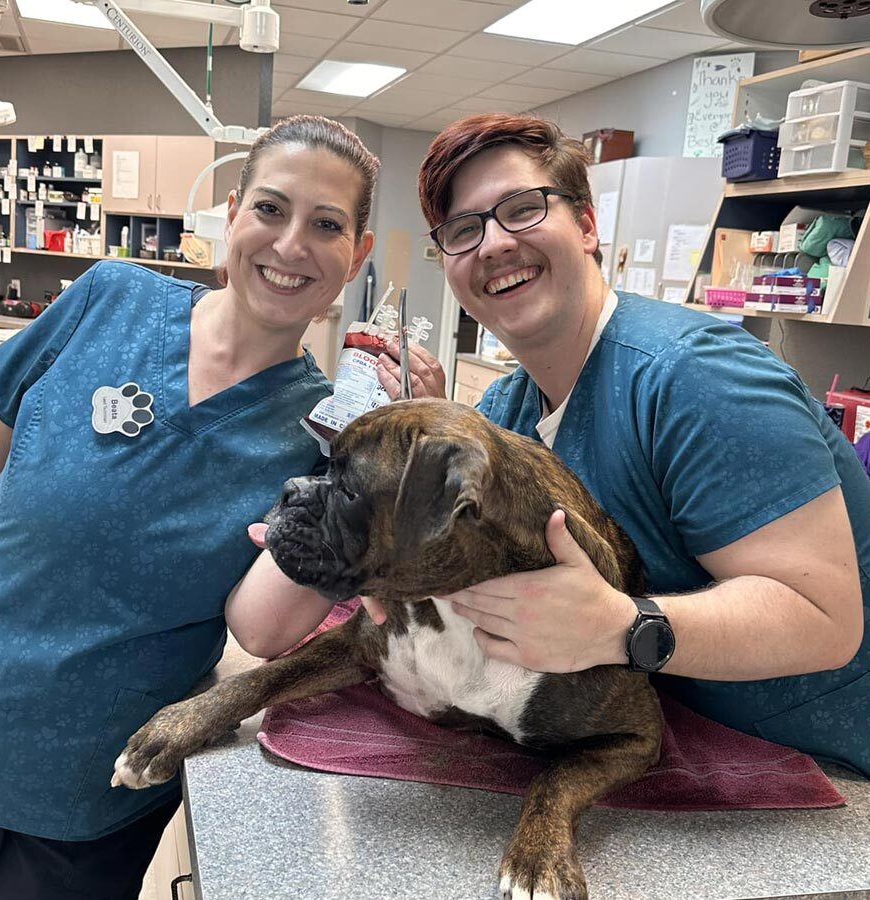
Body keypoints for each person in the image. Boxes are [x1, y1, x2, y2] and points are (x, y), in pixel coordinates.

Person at [371, 112, 870, 778]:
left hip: (828, 778)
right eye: (465, 230)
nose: (492, 245)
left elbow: (824, 620)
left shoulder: (696, 378)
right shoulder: (506, 412)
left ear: (585, 227)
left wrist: (619, 625)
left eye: (521, 209)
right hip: (675, 751)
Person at [0, 114, 381, 900]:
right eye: (270, 209)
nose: (291, 244)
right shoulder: (108, 298)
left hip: (93, 787)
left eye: (326, 225)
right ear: (231, 215)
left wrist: (374, 459)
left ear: (356, 254)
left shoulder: (319, 438)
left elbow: (263, 629)